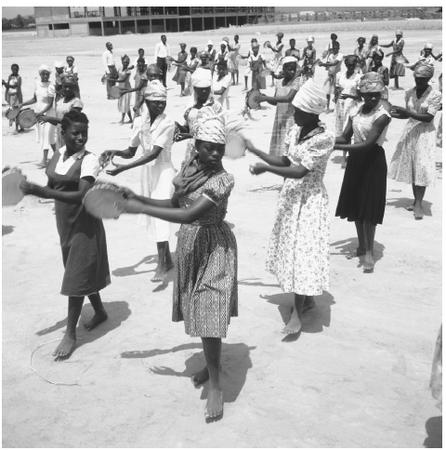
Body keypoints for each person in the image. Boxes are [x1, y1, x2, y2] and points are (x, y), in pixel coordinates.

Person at [120, 113, 238, 422]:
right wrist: (139, 197)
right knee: (200, 312)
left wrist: (141, 208)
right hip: (189, 246)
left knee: (210, 311)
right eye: (209, 148)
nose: (215, 154)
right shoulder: (188, 173)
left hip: (215, 248)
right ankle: (210, 364)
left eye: (219, 149)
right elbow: (176, 205)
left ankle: (215, 386)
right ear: (197, 146)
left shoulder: (223, 179)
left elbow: (190, 215)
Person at [19, 110, 110, 360]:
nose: (81, 138)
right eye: (75, 133)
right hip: (65, 222)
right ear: (63, 133)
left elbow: (81, 195)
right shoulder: (59, 154)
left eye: (85, 133)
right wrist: (28, 189)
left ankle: (70, 334)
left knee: (75, 275)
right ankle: (100, 311)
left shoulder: (89, 160)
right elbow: (52, 184)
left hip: (85, 224)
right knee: (77, 270)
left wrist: (43, 193)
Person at [247, 79, 334, 335]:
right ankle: (305, 300)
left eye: (298, 111)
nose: (294, 113)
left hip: (309, 201)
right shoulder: (296, 130)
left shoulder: (324, 138)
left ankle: (297, 315)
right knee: (292, 248)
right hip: (291, 198)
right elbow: (285, 159)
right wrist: (258, 153)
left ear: (312, 113)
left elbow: (298, 171)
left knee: (301, 253)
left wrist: (266, 169)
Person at [103, 81, 176, 282]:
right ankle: (166, 259)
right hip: (147, 173)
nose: (160, 106)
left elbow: (154, 154)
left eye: (163, 102)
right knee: (153, 217)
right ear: (147, 102)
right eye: (156, 102)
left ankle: (162, 264)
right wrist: (114, 152)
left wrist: (124, 168)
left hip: (163, 172)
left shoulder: (168, 123)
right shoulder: (140, 122)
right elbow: (131, 151)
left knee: (160, 215)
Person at [334, 72, 391, 273]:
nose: (373, 98)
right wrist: (326, 140)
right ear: (361, 94)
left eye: (376, 94)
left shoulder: (382, 115)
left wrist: (335, 148)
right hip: (356, 161)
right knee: (357, 205)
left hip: (373, 159)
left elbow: (368, 144)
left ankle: (369, 251)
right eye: (368, 94)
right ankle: (361, 244)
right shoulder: (356, 111)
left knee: (369, 210)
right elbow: (345, 136)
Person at [388, 63, 442, 220]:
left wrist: (408, 112)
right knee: (413, 165)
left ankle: (419, 203)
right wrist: (394, 114)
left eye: (422, 79)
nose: (419, 81)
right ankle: (415, 200)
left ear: (429, 79)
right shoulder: (409, 93)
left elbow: (429, 117)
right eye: (417, 78)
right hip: (411, 131)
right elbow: (408, 115)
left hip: (425, 133)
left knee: (422, 165)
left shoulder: (435, 94)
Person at [174, 68, 223, 161]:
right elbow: (189, 128)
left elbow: (216, 133)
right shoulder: (190, 107)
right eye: (201, 89)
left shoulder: (216, 107)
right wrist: (178, 128)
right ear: (195, 89)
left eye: (206, 89)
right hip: (192, 149)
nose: (204, 92)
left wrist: (189, 136)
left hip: (210, 152)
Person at [257, 56, 301, 156]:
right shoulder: (279, 82)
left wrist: (266, 98)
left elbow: (288, 98)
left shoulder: (297, 82)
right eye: (289, 69)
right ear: (283, 69)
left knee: (290, 145)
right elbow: (276, 101)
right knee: (280, 144)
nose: (292, 72)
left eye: (294, 69)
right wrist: (264, 98)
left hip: (291, 119)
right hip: (280, 119)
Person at [20, 65, 56, 167]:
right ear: (40, 74)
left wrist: (41, 113)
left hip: (48, 115)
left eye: (47, 74)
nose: (45, 75)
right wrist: (22, 104)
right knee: (50, 139)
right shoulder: (37, 84)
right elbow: (35, 99)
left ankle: (44, 161)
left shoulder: (51, 86)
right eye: (43, 73)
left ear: (49, 75)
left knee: (46, 137)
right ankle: (59, 156)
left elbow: (50, 104)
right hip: (39, 114)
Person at [37, 78, 83, 150]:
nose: (67, 89)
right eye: (65, 86)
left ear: (74, 88)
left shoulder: (76, 102)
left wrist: (49, 118)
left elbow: (70, 121)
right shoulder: (60, 102)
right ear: (62, 88)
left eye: (70, 87)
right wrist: (46, 118)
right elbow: (58, 123)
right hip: (60, 135)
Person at [335, 55, 362, 168]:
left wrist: (350, 96)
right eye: (348, 64)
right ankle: (344, 156)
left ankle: (348, 157)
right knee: (341, 130)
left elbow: (361, 96)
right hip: (340, 106)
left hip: (352, 106)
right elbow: (337, 89)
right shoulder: (339, 75)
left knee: (349, 131)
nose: (350, 66)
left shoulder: (359, 77)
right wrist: (338, 98)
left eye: (352, 64)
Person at [319, 41, 343, 112]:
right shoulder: (331, 55)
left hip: (337, 75)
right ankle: (328, 107)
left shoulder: (340, 55)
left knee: (336, 92)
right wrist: (324, 64)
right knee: (328, 92)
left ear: (338, 48)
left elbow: (334, 63)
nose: (335, 49)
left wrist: (323, 64)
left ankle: (336, 108)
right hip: (330, 74)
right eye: (334, 48)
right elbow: (329, 63)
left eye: (336, 48)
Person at [2, 64, 23, 131]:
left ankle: (17, 128)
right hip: (11, 96)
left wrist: (5, 83)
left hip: (17, 96)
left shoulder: (19, 77)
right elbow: (8, 87)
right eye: (14, 69)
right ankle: (17, 127)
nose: (15, 70)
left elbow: (17, 87)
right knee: (12, 112)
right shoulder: (10, 77)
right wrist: (5, 85)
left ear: (18, 70)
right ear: (12, 69)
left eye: (16, 69)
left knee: (17, 112)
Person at [117, 55, 133, 124]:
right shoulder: (120, 68)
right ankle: (131, 119)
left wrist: (113, 80)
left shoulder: (128, 71)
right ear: (122, 62)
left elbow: (123, 79)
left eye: (127, 62)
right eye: (124, 62)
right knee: (125, 104)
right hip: (120, 88)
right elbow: (117, 75)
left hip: (127, 89)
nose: (126, 63)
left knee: (124, 104)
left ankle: (122, 119)